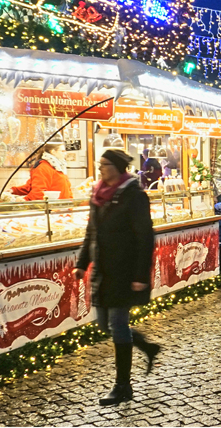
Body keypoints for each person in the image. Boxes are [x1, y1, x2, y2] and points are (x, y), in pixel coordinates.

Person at [75, 149, 159, 406]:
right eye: (100, 164)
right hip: (102, 269)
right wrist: (82, 263)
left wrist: (139, 275)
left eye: (104, 164)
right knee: (104, 325)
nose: (100, 169)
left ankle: (123, 386)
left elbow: (145, 237)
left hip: (124, 269)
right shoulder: (98, 193)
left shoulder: (134, 195)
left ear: (118, 167)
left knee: (118, 324)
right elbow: (92, 231)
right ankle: (146, 346)